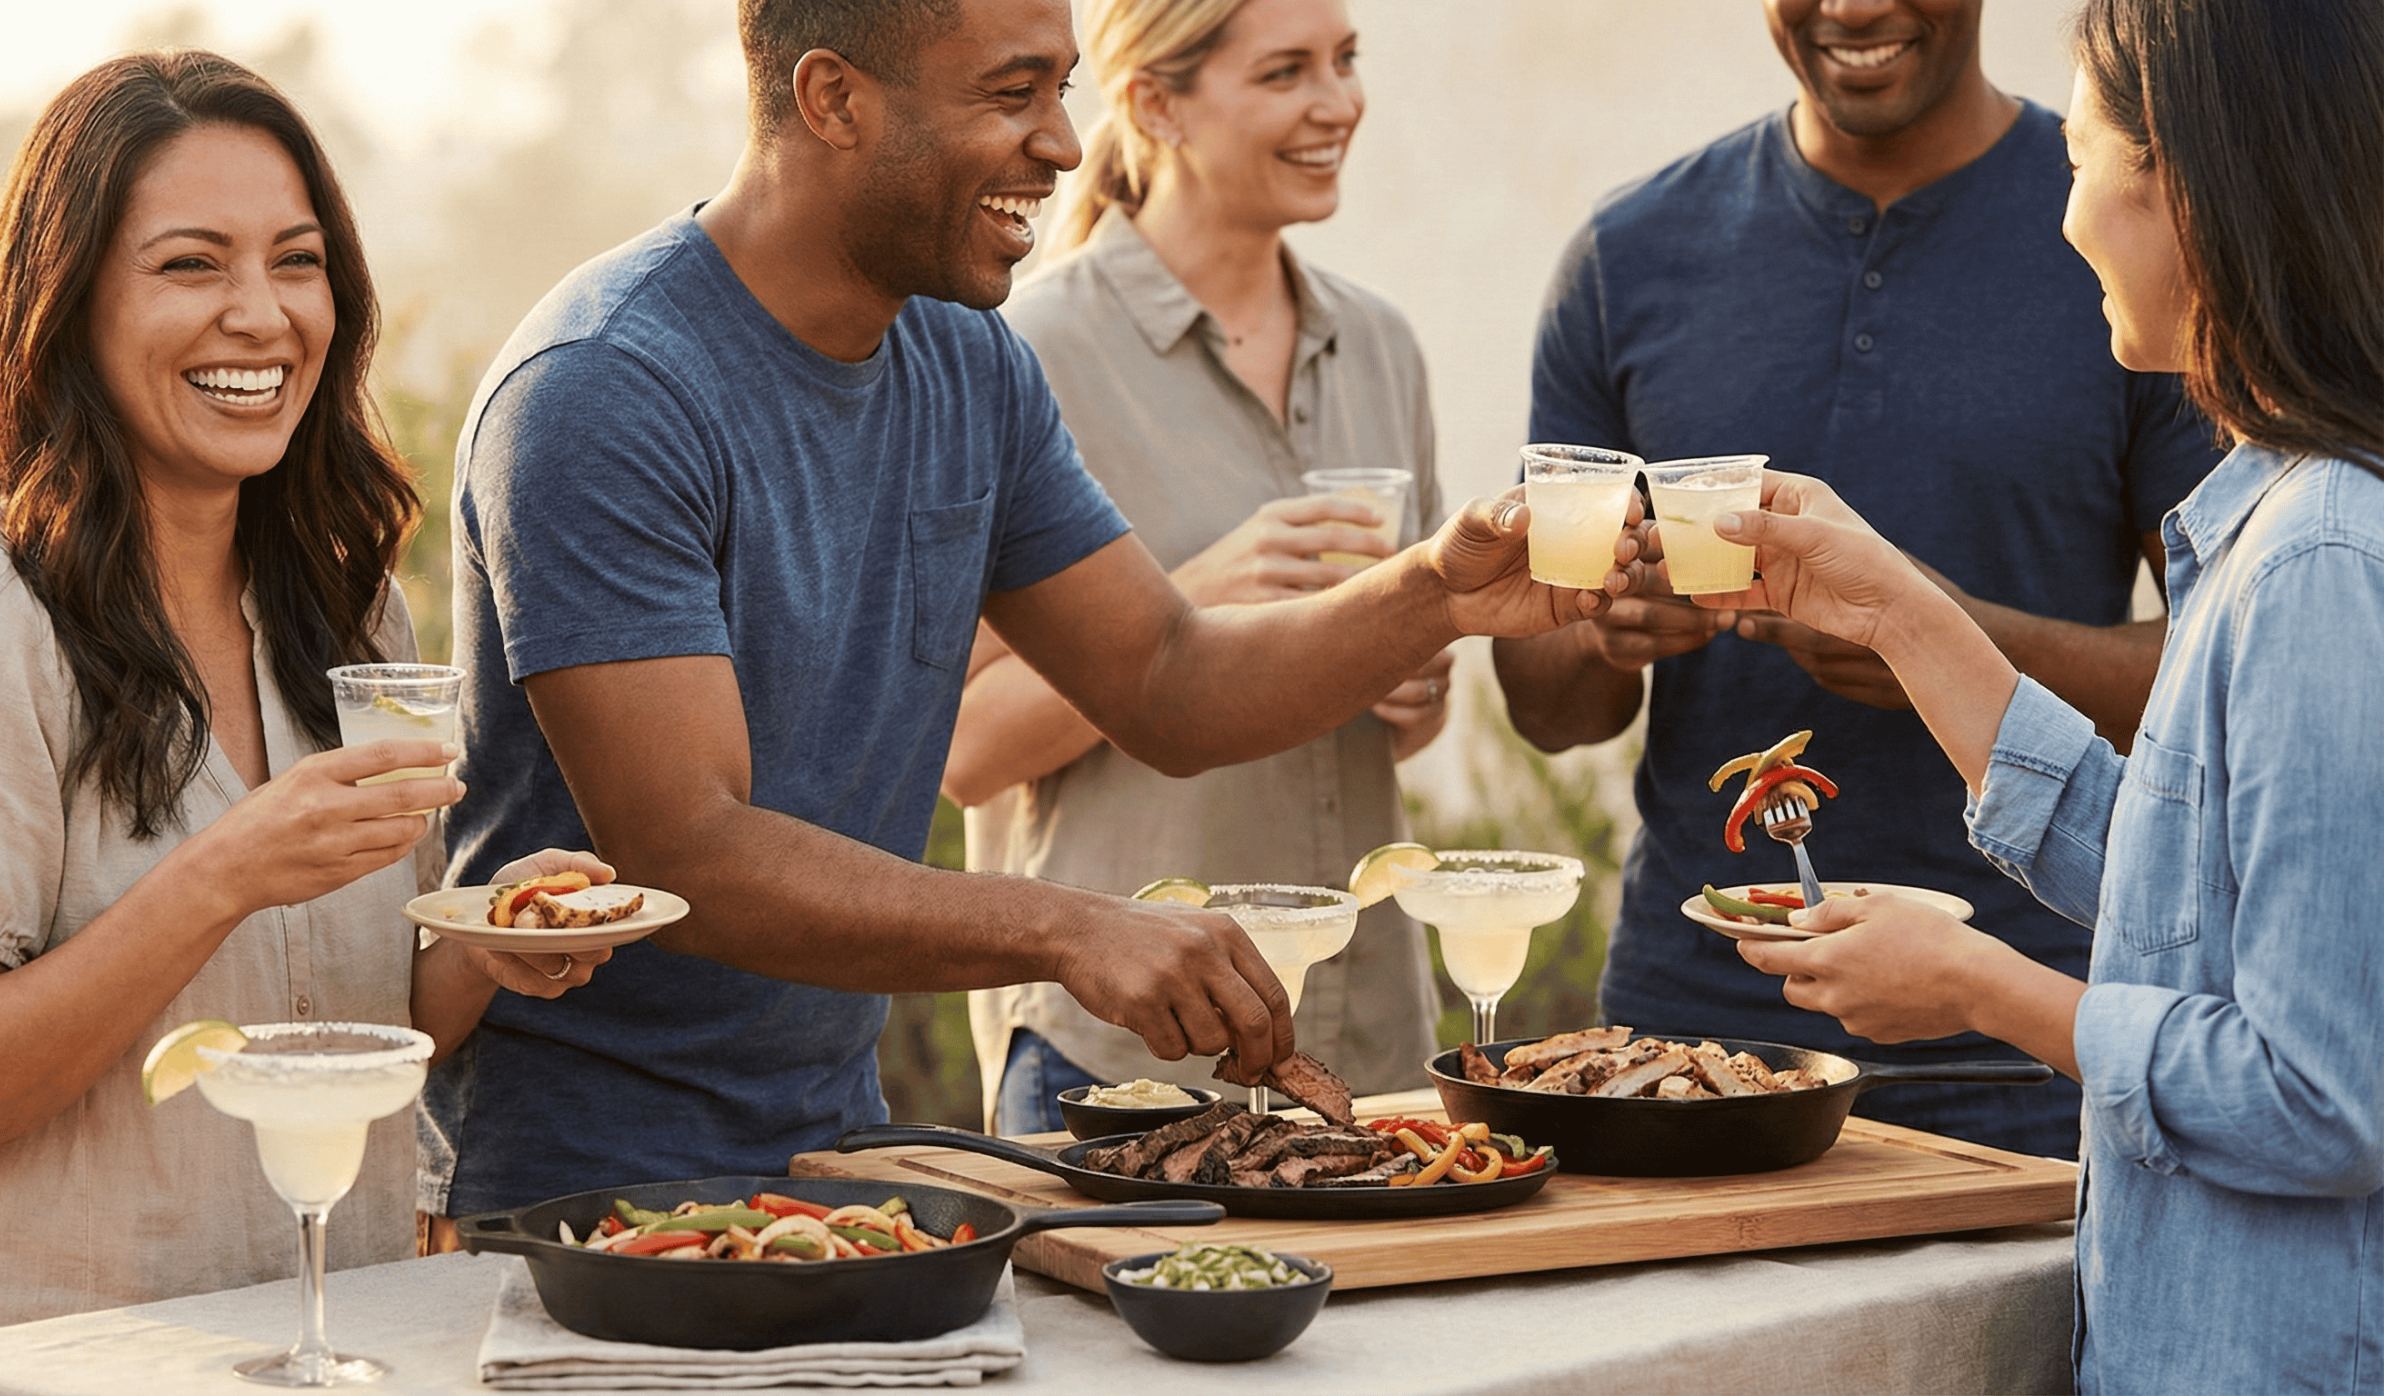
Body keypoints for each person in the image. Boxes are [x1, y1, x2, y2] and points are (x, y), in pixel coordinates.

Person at [431, 0, 1620, 1219]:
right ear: (834, 100)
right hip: (577, 1178)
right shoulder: (601, 388)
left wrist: (1438, 593)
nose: (1063, 142)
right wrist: (1066, 928)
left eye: (1062, 89)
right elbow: (684, 844)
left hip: (835, 1152)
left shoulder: (967, 360)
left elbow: (1165, 677)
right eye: (1011, 95)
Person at [0, 52, 611, 1366]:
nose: (260, 314)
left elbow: (362, 1025)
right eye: (191, 265)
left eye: (295, 263)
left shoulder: (351, 620)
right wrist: (220, 877)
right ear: (67, 304)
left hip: (317, 1345)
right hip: (46, 1366)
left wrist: (487, 945)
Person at [1713, 2, 2384, 1383]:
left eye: (2081, 152)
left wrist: (1974, 982)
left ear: (2184, 190)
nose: (2061, 212)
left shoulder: (2320, 557)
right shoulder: (2273, 522)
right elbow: (2185, 893)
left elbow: (2324, 1098)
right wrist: (1894, 605)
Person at [1488, 0, 2221, 1157]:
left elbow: (2223, 673)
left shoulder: (2124, 233)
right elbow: (1547, 708)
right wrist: (1599, 629)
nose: (1853, 7)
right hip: (1695, 1037)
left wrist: (1938, 634)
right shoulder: (1629, 253)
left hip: (2028, 1034)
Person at [947, 0, 1446, 1136]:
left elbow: (1396, 731)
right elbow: (964, 750)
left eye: (1345, 60)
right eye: (1283, 72)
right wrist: (1195, 600)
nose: (1337, 103)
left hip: (1367, 1029)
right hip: (1126, 1047)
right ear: (1153, 102)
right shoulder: (1024, 349)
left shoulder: (1378, 344)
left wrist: (1405, 679)